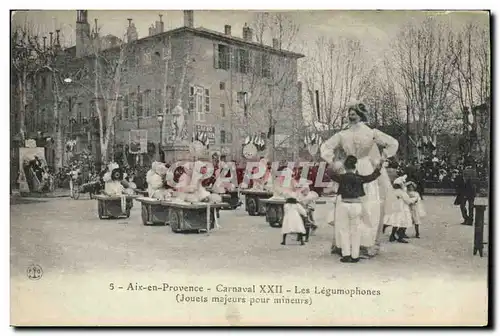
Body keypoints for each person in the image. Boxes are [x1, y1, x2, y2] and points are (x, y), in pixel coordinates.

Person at [320, 102, 399, 257]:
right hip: (349, 167)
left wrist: (382, 158)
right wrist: (333, 161)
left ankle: (365, 243)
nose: (351, 115)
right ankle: (344, 244)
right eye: (349, 113)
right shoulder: (343, 134)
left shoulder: (371, 132)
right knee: (345, 205)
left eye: (354, 113)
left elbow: (392, 143)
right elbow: (326, 147)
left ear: (360, 114)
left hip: (365, 166)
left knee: (368, 206)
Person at [328, 155, 383, 263]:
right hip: (357, 205)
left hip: (344, 204)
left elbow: (331, 174)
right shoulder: (360, 178)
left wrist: (331, 163)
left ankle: (346, 255)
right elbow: (372, 176)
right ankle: (355, 255)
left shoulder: (342, 177)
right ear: (355, 167)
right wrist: (379, 166)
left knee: (344, 230)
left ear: (345, 166)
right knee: (356, 230)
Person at [384, 175, 417, 243]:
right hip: (403, 209)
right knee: (405, 223)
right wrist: (414, 199)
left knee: (396, 222)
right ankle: (400, 237)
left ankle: (392, 236)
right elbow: (407, 201)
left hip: (396, 208)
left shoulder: (394, 191)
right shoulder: (402, 192)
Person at [454, 158, 480, 225]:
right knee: (471, 206)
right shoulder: (474, 171)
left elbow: (465, 181)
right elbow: (476, 181)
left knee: (462, 206)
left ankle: (466, 218)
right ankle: (471, 220)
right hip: (472, 191)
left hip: (465, 191)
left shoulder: (465, 171)